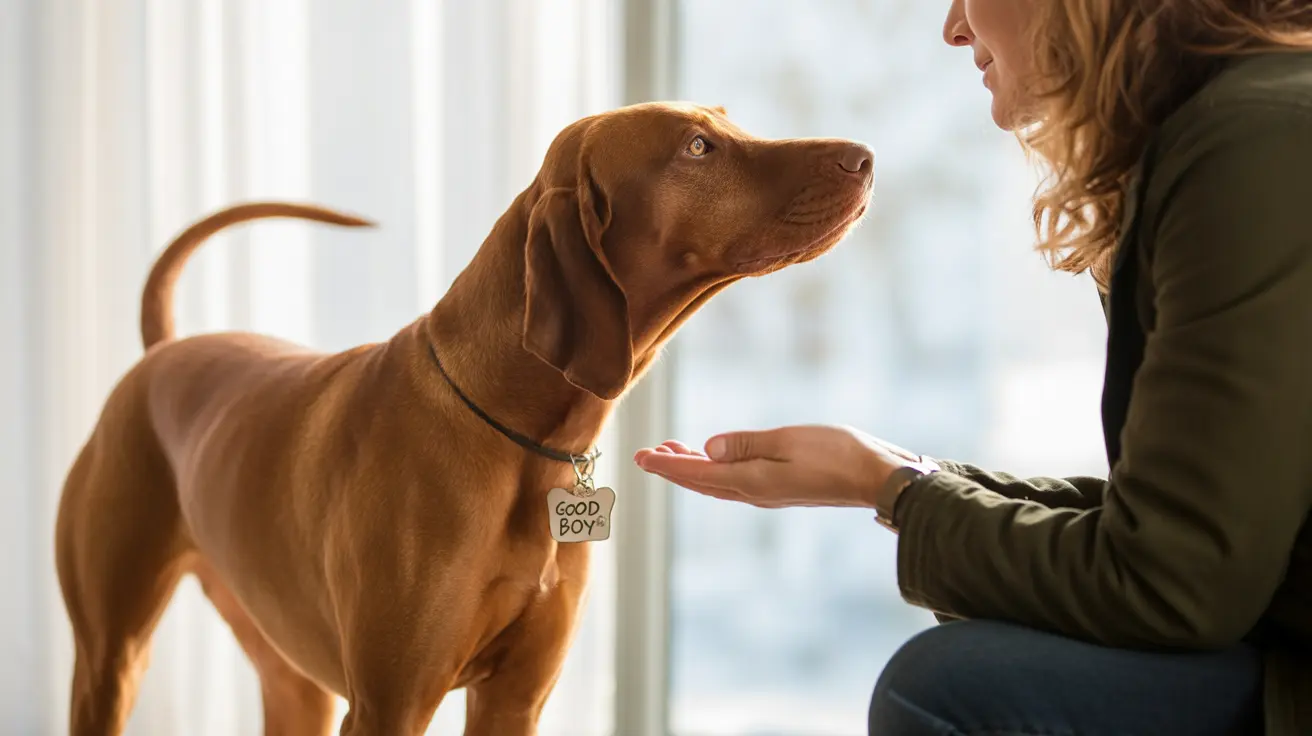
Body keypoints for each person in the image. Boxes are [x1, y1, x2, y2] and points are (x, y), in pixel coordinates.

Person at [633, 1, 1312, 734]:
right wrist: (901, 477)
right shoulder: (1237, 126)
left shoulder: (1249, 143)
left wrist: (883, 486)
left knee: (947, 685)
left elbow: (1174, 580)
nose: (954, 26)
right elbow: (1185, 527)